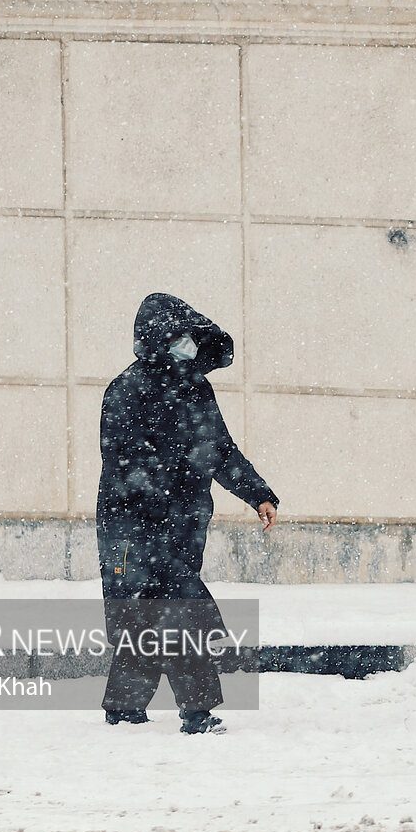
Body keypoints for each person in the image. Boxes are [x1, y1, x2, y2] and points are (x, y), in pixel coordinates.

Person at [97, 292, 278, 734]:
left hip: (181, 524)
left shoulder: (197, 389)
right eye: (180, 337)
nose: (190, 345)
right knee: (170, 612)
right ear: (160, 339)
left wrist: (258, 494)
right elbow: (122, 463)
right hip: (132, 528)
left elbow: (218, 449)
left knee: (153, 612)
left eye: (192, 338)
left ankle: (123, 707)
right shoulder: (126, 390)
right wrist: (159, 499)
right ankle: (196, 712)